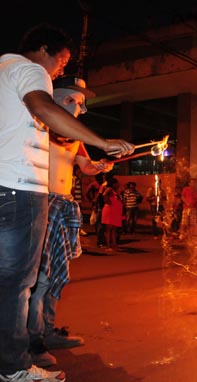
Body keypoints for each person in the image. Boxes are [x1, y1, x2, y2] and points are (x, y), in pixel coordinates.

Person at [0, 23, 133, 382]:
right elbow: (43, 108)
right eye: (62, 62)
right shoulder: (30, 71)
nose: (60, 70)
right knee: (20, 283)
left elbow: (81, 162)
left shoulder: (3, 70)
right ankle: (15, 364)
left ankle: (30, 343)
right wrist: (104, 141)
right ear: (46, 50)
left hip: (8, 189)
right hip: (20, 191)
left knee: (25, 280)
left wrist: (96, 159)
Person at [27, 76, 114, 368]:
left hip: (62, 208)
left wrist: (100, 166)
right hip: (39, 204)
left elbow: (85, 167)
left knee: (53, 275)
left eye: (81, 103)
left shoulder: (74, 137)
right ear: (61, 99)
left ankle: (48, 332)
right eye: (74, 101)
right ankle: (32, 341)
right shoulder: (38, 125)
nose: (79, 107)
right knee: (37, 279)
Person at [101, 177, 123, 251]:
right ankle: (108, 246)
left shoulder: (115, 190)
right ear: (113, 184)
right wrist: (109, 203)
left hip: (115, 211)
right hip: (110, 211)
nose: (118, 184)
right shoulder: (109, 189)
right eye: (116, 183)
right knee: (109, 229)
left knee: (114, 229)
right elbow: (104, 195)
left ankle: (114, 245)